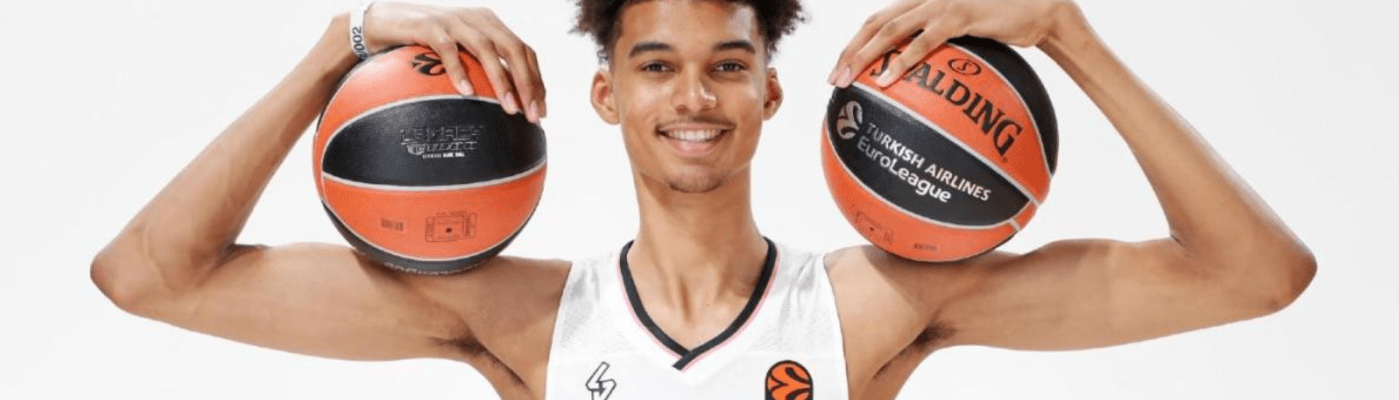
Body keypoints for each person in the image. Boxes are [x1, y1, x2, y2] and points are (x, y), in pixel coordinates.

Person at [90, 0, 1316, 398]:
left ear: (773, 92)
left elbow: (1254, 275)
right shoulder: (519, 320)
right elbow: (148, 277)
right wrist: (338, 48)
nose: (694, 95)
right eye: (656, 65)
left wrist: (1068, 36)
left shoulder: (871, 309)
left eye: (728, 65)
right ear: (605, 94)